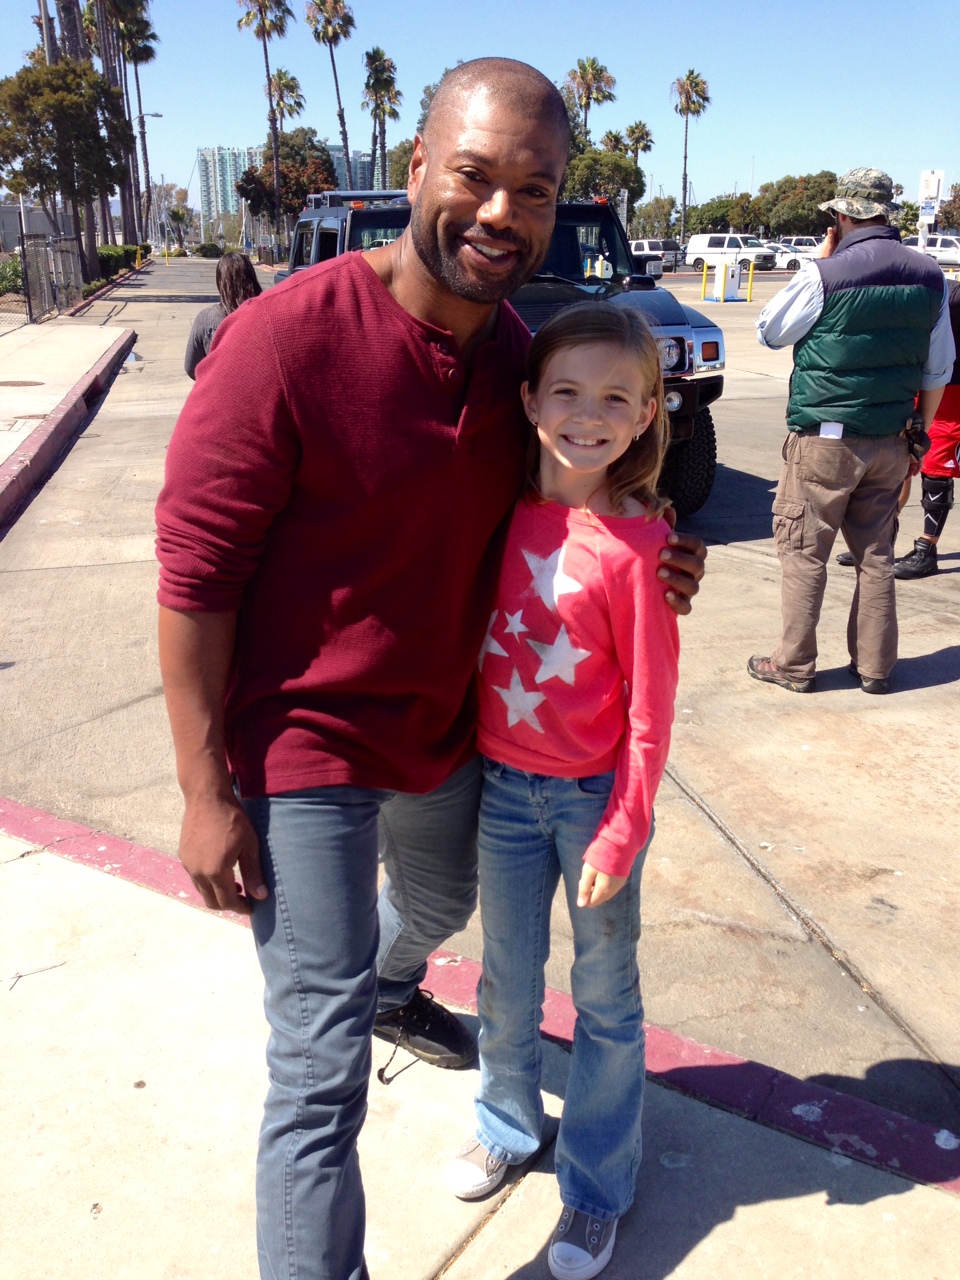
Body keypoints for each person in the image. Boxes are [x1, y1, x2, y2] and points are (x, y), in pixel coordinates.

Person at [155, 58, 706, 1280]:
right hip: (303, 747)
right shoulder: (280, 343)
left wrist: (659, 556)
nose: (502, 211)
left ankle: (377, 972)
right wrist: (205, 788)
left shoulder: (522, 363)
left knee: (442, 909)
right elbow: (194, 578)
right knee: (317, 1066)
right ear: (415, 171)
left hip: (449, 734)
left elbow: (572, 504)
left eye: (535, 187)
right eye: (474, 175)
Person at [445, 302, 678, 1280]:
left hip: (593, 801)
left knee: (605, 996)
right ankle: (507, 1119)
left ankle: (594, 1185)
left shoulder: (642, 546)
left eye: (616, 397)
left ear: (647, 412)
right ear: (532, 398)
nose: (589, 415)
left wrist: (625, 822)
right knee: (506, 970)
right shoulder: (495, 508)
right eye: (568, 392)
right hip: (502, 790)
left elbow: (650, 708)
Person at [748, 167, 955, 696]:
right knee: (876, 556)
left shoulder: (826, 274)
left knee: (804, 551)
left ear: (842, 216)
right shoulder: (931, 276)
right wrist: (917, 435)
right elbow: (938, 370)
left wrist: (819, 262)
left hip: (825, 442)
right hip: (891, 440)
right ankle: (875, 668)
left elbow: (770, 331)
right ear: (886, 212)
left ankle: (794, 665)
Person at [894, 278, 960, 578]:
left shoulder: (951, 295)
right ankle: (880, 539)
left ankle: (926, 550)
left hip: (951, 391)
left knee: (936, 467)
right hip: (919, 381)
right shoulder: (911, 291)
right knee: (899, 455)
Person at [183, 251, 262, 378]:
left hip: (221, 392)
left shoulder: (206, 318)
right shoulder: (266, 314)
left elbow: (191, 366)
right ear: (252, 277)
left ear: (220, 281)